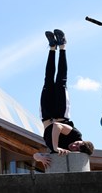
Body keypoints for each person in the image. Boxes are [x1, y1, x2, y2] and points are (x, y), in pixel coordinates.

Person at [32, 29, 95, 169]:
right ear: (81, 141)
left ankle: (52, 48)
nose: (74, 145)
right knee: (61, 80)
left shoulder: (62, 150)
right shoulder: (75, 135)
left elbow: (35, 155)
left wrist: (40, 157)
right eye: (78, 144)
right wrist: (55, 148)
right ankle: (62, 47)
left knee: (48, 80)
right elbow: (57, 126)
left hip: (47, 115)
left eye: (75, 148)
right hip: (60, 113)